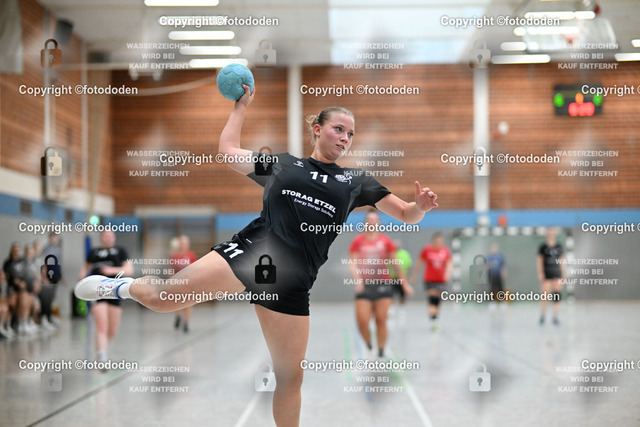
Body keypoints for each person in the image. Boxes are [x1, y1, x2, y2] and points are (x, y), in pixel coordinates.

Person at [75, 85, 438, 426]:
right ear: (317, 129)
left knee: (290, 377)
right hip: (251, 254)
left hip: (292, 282)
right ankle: (117, 287)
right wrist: (241, 107)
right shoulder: (283, 166)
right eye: (338, 129)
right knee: (162, 298)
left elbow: (406, 213)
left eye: (351, 134)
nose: (345, 138)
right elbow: (228, 151)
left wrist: (419, 207)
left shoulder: (356, 182)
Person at [349, 210, 412, 359]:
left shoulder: (386, 241)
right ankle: (368, 341)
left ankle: (382, 348)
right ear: (365, 223)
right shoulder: (358, 241)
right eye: (369, 220)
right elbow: (352, 263)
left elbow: (395, 264)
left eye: (375, 220)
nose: (372, 222)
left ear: (378, 223)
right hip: (365, 285)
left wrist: (404, 283)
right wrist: (358, 280)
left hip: (383, 283)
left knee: (381, 318)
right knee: (362, 320)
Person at [78, 230, 133, 365]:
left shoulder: (120, 251)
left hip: (115, 291)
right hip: (98, 290)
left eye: (110, 236)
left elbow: (129, 270)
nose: (107, 238)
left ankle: (102, 349)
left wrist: (112, 270)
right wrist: (81, 278)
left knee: (112, 330)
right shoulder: (94, 252)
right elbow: (85, 267)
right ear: (101, 238)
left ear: (114, 238)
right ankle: (101, 355)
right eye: (105, 236)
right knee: (102, 326)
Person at [411, 232, 451, 331]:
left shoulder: (445, 251)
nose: (439, 243)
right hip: (429, 279)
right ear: (433, 241)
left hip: (440, 280)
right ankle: (433, 320)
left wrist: (447, 274)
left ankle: (435, 318)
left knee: (437, 301)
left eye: (441, 241)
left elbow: (449, 263)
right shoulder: (427, 250)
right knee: (432, 299)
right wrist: (415, 275)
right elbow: (419, 262)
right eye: (437, 241)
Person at [537, 228, 565, 326]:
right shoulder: (543, 247)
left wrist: (563, 273)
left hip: (556, 272)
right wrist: (540, 272)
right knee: (545, 294)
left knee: (557, 294)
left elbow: (561, 260)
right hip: (547, 272)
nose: (551, 233)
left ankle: (555, 316)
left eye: (552, 232)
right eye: (549, 232)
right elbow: (539, 260)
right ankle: (543, 315)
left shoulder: (558, 246)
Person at [171, 235, 197, 333]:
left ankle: (186, 322)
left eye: (185, 243)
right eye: (182, 243)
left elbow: (195, 268)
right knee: (176, 302)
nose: (183, 245)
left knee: (188, 303)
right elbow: (171, 269)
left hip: (187, 283)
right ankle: (178, 317)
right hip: (177, 282)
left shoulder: (191, 255)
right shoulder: (174, 255)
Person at [487, 243, 506, 310]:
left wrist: (503, 272)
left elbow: (503, 265)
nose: (494, 249)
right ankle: (492, 302)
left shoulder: (500, 257)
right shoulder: (489, 257)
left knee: (500, 288)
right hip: (492, 275)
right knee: (492, 289)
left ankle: (502, 302)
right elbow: (487, 265)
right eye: (493, 248)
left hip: (498, 275)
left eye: (495, 248)